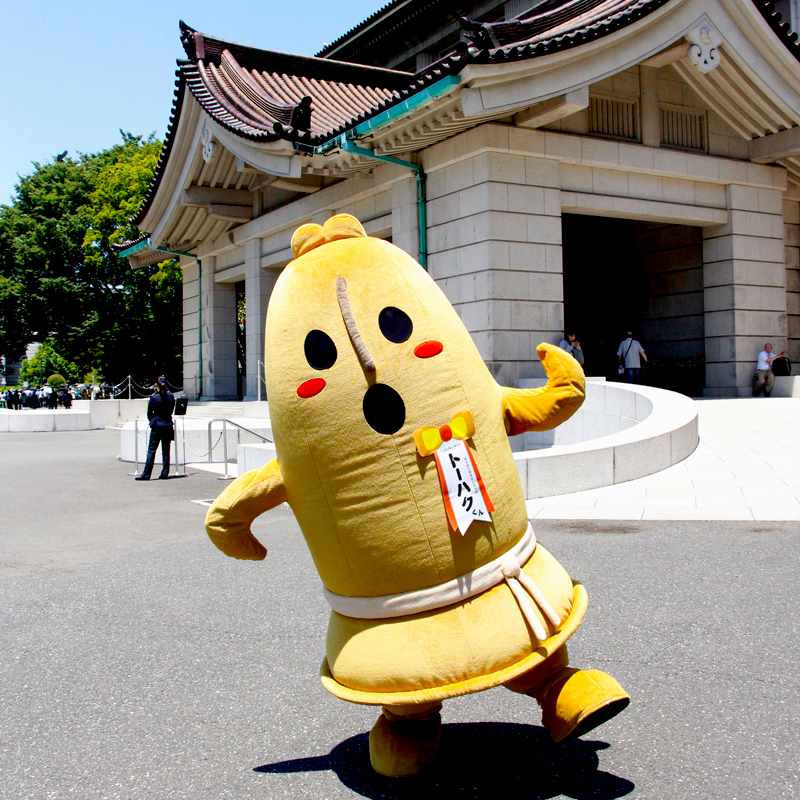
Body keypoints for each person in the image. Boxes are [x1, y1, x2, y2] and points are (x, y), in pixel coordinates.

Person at [135, 376, 175, 481]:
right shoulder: (171, 396)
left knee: (151, 450)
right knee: (166, 450)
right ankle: (165, 473)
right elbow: (171, 411)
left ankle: (146, 474)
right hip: (167, 425)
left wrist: (153, 421)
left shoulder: (154, 398)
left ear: (156, 384)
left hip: (157, 425)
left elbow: (149, 413)